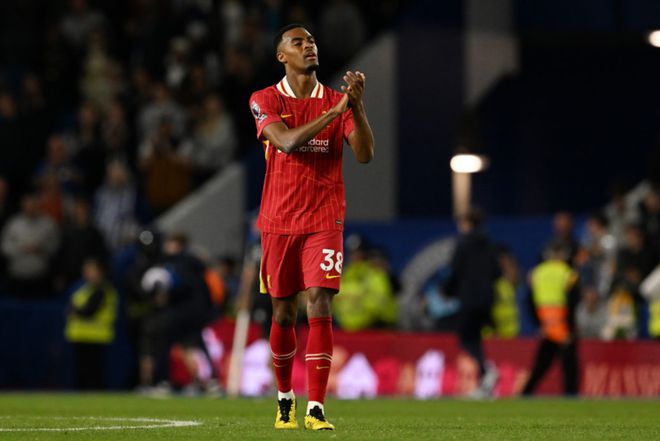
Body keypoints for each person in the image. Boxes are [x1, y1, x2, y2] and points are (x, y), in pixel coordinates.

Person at [248, 23, 374, 430]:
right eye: (298, 42)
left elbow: (365, 155)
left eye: (312, 41)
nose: (309, 46)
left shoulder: (338, 101)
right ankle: (285, 397)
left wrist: (356, 107)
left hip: (324, 219)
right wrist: (334, 114)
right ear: (281, 55)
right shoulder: (264, 99)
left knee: (319, 302)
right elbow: (285, 142)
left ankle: (316, 407)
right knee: (284, 314)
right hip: (278, 221)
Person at [443, 207, 501, 397]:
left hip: (469, 298)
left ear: (467, 223)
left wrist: (447, 291)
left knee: (466, 338)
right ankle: (485, 383)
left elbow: (455, 271)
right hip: (487, 299)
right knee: (475, 337)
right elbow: (497, 273)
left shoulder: (463, 244)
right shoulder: (489, 244)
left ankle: (487, 370)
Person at [522, 243, 580, 396]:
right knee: (569, 365)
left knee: (541, 363)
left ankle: (526, 393)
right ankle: (571, 396)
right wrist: (570, 327)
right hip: (562, 325)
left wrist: (537, 324)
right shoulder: (568, 273)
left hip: (546, 324)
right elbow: (573, 301)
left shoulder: (536, 273)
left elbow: (528, 301)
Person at [64, 257, 118, 390]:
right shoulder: (83, 288)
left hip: (96, 337)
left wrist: (76, 311)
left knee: (94, 375)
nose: (88, 273)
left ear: (101, 272)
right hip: (79, 336)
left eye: (91, 270)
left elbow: (88, 311)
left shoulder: (103, 289)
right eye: (86, 270)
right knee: (81, 374)